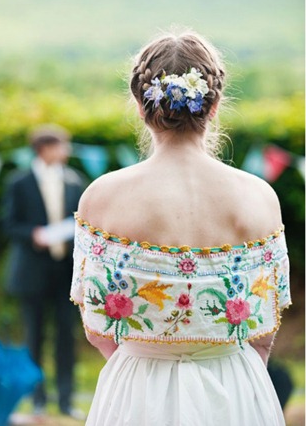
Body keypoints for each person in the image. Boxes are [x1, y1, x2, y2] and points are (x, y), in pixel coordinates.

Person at [71, 31, 291, 425]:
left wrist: (146, 368)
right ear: (215, 105)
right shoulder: (259, 196)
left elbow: (97, 327)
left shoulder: (100, 196)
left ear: (141, 106)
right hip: (235, 380)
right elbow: (264, 326)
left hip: (137, 386)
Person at [2, 125, 86, 417]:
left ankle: (65, 400)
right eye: (62, 145)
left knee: (67, 336)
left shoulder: (76, 180)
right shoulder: (19, 181)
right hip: (32, 272)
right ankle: (37, 399)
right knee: (34, 338)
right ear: (45, 148)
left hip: (66, 273)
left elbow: (85, 226)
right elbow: (10, 224)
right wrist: (34, 234)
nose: (67, 151)